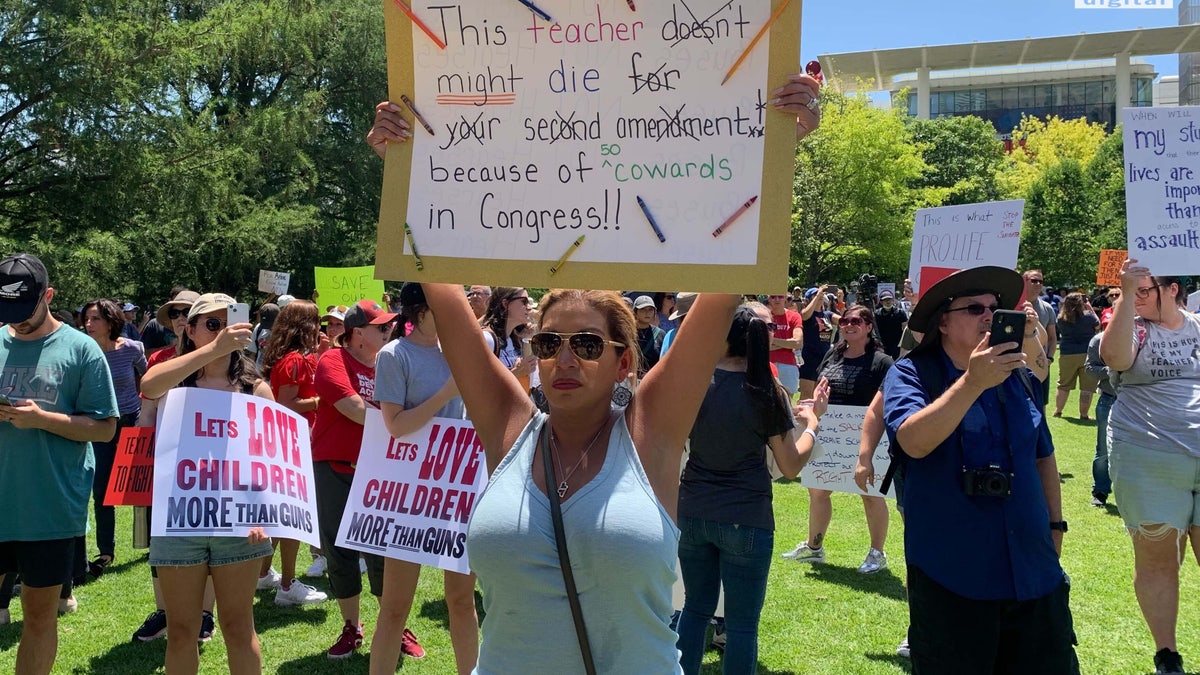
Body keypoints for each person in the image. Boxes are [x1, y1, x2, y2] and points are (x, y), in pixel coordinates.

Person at [882, 266, 1074, 674]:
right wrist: (972, 382)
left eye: (995, 307)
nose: (990, 315)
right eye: (974, 308)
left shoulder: (1019, 374)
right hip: (954, 574)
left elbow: (1043, 456)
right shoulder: (911, 373)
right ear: (944, 323)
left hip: (1033, 572)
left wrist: (1056, 527)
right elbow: (913, 443)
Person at [675, 303, 827, 674]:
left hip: (692, 510)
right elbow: (791, 465)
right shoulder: (766, 391)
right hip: (747, 516)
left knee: (694, 611)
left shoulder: (695, 383)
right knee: (742, 626)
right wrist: (813, 426)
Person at [138, 293, 274, 675]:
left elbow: (269, 459)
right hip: (180, 522)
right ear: (191, 330)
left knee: (238, 627)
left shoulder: (255, 389)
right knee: (182, 630)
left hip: (240, 524)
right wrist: (212, 349)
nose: (223, 332)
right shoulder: (174, 382)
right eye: (212, 324)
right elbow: (149, 386)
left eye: (229, 323)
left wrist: (263, 515)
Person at [0, 253, 119, 675]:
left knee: (38, 617)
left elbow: (105, 428)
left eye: (23, 311)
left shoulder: (81, 349)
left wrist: (41, 420)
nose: (14, 321)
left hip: (48, 510)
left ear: (48, 296)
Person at [1099, 260, 1200, 675]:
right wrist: (1126, 292)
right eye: (1128, 291)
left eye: (1144, 290)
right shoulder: (1131, 326)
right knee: (1158, 559)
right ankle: (1167, 655)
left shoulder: (1196, 325)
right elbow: (1116, 357)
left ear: (1172, 289)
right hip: (1148, 456)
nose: (1135, 297)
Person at [372, 282, 478, 675]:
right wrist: (446, 393)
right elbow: (396, 425)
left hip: (456, 489)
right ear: (420, 311)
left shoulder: (460, 351)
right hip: (409, 493)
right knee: (395, 607)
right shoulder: (394, 355)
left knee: (462, 601)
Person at [310, 299, 400, 659]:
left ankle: (392, 624)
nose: (389, 330)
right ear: (358, 333)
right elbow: (354, 409)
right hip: (335, 467)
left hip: (378, 470)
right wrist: (399, 422)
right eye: (382, 327)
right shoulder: (332, 360)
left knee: (383, 551)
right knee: (339, 550)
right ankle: (352, 626)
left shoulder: (389, 364)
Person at [783, 305, 894, 574]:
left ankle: (877, 553)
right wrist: (812, 404)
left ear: (869, 327)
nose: (848, 325)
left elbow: (887, 400)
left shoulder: (882, 362)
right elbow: (822, 390)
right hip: (830, 434)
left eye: (856, 320)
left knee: (869, 493)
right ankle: (814, 547)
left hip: (868, 436)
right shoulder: (833, 354)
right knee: (818, 490)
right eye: (844, 320)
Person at [258, 300, 329, 607]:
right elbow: (284, 404)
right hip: (295, 446)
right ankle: (287, 585)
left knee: (281, 518)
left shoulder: (296, 359)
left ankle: (265, 574)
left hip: (294, 444)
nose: (319, 328)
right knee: (293, 518)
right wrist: (317, 402)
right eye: (315, 322)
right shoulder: (295, 362)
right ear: (304, 326)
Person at [80, 298, 148, 578]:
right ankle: (106, 551)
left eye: (95, 319)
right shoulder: (83, 352)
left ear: (111, 322)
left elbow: (148, 381)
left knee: (140, 486)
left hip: (131, 421)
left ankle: (151, 543)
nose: (88, 324)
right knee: (102, 489)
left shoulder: (133, 348)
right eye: (86, 319)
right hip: (100, 426)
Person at [1052, 292, 1100, 420]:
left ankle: (1058, 411)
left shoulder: (1061, 318)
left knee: (1063, 384)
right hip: (1087, 354)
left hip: (1067, 353)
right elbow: (1098, 325)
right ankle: (1083, 414)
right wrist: (1089, 307)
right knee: (1087, 387)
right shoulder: (1089, 317)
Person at [1083, 331, 1117, 508]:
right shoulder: (1099, 339)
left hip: (1139, 401)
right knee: (1103, 450)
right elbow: (1089, 368)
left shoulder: (1145, 337)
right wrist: (1111, 369)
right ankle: (1100, 491)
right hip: (1109, 399)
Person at [479, 286, 535, 390]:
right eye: (523, 302)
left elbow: (528, 382)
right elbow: (478, 386)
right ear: (505, 304)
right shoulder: (487, 339)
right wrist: (516, 373)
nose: (529, 307)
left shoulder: (515, 339)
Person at [1023, 269, 1058, 407]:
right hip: (1018, 362)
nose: (1038, 284)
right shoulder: (1013, 304)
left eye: (1040, 281)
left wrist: (1049, 358)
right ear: (1024, 282)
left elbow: (1052, 337)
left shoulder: (1047, 308)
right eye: (1034, 280)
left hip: (1039, 362)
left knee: (1040, 402)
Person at [798, 286, 834, 399]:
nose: (819, 296)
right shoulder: (806, 313)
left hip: (824, 359)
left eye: (821, 294)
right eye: (815, 295)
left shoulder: (827, 315)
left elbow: (842, 320)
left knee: (818, 395)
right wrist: (818, 294)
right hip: (809, 358)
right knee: (806, 395)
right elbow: (804, 316)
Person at [766, 292, 804, 399]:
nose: (777, 299)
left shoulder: (794, 316)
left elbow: (798, 343)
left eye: (780, 296)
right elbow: (762, 344)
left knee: (788, 402)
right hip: (767, 362)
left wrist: (772, 341)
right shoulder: (764, 316)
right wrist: (787, 344)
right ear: (769, 298)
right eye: (773, 296)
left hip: (789, 364)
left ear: (785, 298)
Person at [634, 294, 666, 375]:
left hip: (652, 381)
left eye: (650, 309)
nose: (647, 312)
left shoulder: (660, 334)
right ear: (635, 312)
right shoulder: (628, 333)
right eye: (642, 309)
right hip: (629, 381)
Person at [874, 289, 909, 359]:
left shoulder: (900, 313)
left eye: (889, 299)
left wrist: (904, 344)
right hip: (883, 344)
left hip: (897, 344)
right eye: (885, 300)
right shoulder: (877, 314)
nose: (888, 301)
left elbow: (906, 329)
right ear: (881, 302)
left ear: (893, 300)